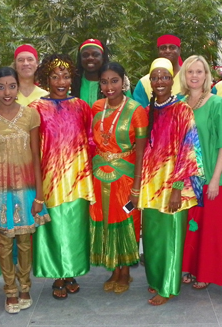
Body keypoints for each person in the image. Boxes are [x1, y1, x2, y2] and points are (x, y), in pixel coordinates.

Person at [0, 67, 51, 314]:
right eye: (1, 86)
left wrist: (39, 196)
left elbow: (36, 158)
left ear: (18, 87)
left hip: (27, 188)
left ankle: (25, 287)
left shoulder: (31, 116)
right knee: (4, 242)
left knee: (25, 242)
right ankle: (10, 291)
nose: (7, 92)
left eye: (12, 86)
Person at [138, 58, 204, 306]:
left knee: (171, 239)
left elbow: (189, 154)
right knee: (153, 239)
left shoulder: (182, 110)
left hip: (174, 188)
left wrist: (177, 190)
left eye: (165, 77)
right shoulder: (147, 111)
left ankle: (168, 286)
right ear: (150, 82)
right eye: (155, 77)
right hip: (150, 188)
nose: (160, 82)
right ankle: (156, 281)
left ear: (172, 80)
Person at [28, 54, 95, 300]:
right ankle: (57, 274)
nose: (61, 81)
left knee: (75, 228)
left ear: (72, 79)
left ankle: (71, 271)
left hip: (77, 178)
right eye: (55, 76)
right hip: (49, 179)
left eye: (66, 76)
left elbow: (90, 142)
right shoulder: (35, 108)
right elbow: (32, 148)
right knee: (54, 227)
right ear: (46, 79)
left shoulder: (81, 106)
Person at [89, 62, 148, 293]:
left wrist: (136, 187)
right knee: (105, 222)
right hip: (100, 177)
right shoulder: (96, 107)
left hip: (125, 178)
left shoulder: (136, 110)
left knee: (126, 220)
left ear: (123, 81)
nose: (109, 86)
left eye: (114, 81)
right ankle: (114, 269)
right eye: (104, 82)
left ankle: (125, 272)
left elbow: (141, 151)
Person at [180, 55, 222, 289]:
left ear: (206, 76)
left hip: (213, 174)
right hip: (186, 178)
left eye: (199, 72)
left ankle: (207, 272)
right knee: (191, 226)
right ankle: (190, 268)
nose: (195, 76)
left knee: (211, 228)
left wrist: (215, 180)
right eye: (190, 72)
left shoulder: (216, 103)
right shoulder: (180, 103)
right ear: (184, 75)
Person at [133, 34, 183, 108]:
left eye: (172, 47)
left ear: (179, 50)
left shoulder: (190, 79)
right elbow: (137, 113)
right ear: (158, 51)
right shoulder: (144, 83)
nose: (168, 51)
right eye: (163, 48)